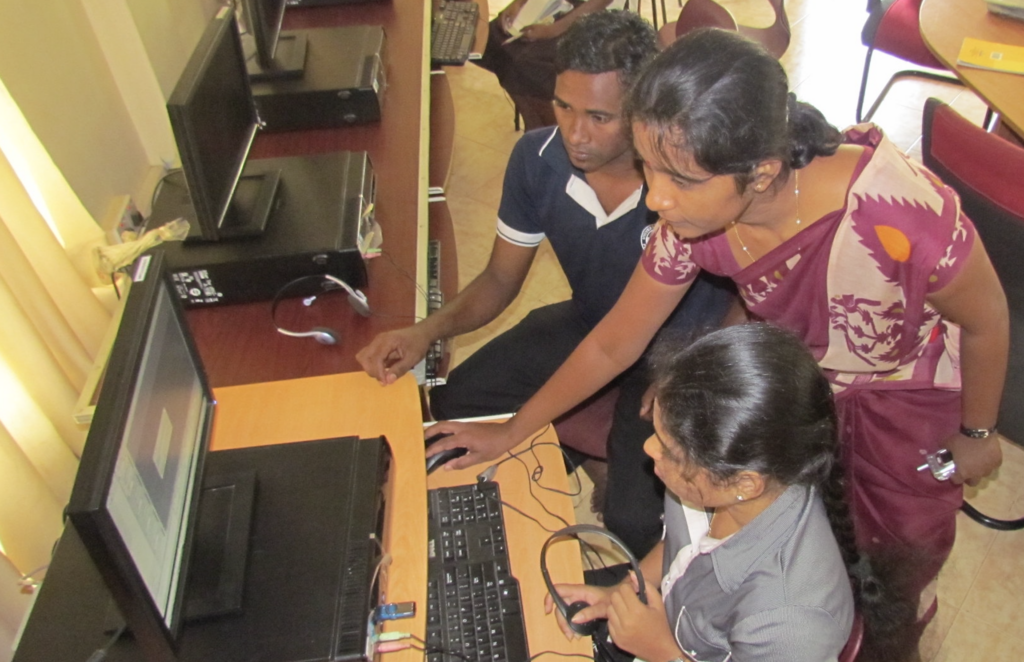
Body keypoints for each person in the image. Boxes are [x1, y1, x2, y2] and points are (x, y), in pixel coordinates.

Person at [425, 28, 1009, 653]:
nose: (656, 198)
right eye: (649, 168)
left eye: (678, 178)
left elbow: (987, 319)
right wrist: (512, 430)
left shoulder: (898, 213)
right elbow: (614, 342)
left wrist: (977, 434)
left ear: (759, 174)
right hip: (796, 387)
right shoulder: (692, 219)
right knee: (790, 542)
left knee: (891, 558)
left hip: (906, 399)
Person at [356, 12, 735, 558]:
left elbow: (746, 295)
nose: (574, 133)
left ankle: (598, 460)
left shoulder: (683, 184)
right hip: (593, 322)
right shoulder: (536, 161)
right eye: (563, 106)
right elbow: (499, 280)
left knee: (635, 519)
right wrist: (426, 331)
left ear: (643, 109)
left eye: (600, 116)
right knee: (451, 405)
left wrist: (694, 373)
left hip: (675, 353)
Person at [545, 324, 917, 662]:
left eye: (669, 449)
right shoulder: (718, 483)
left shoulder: (791, 623)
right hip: (665, 613)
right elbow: (684, 545)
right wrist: (626, 590)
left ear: (744, 484)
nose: (649, 450)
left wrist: (664, 651)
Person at [476, 0, 623, 130]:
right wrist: (518, 3)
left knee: (527, 62)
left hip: (596, 14)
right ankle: (534, 122)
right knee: (493, 40)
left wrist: (552, 30)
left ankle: (551, 129)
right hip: (555, 5)